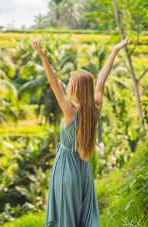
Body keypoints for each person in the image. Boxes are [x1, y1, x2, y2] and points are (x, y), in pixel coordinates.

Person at [32, 37, 130, 227]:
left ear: (74, 87)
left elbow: (54, 83)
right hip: (84, 170)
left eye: (70, 81)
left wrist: (44, 58)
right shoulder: (95, 107)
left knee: (66, 220)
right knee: (84, 219)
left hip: (66, 169)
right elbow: (102, 76)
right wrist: (114, 51)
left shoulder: (70, 111)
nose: (67, 83)